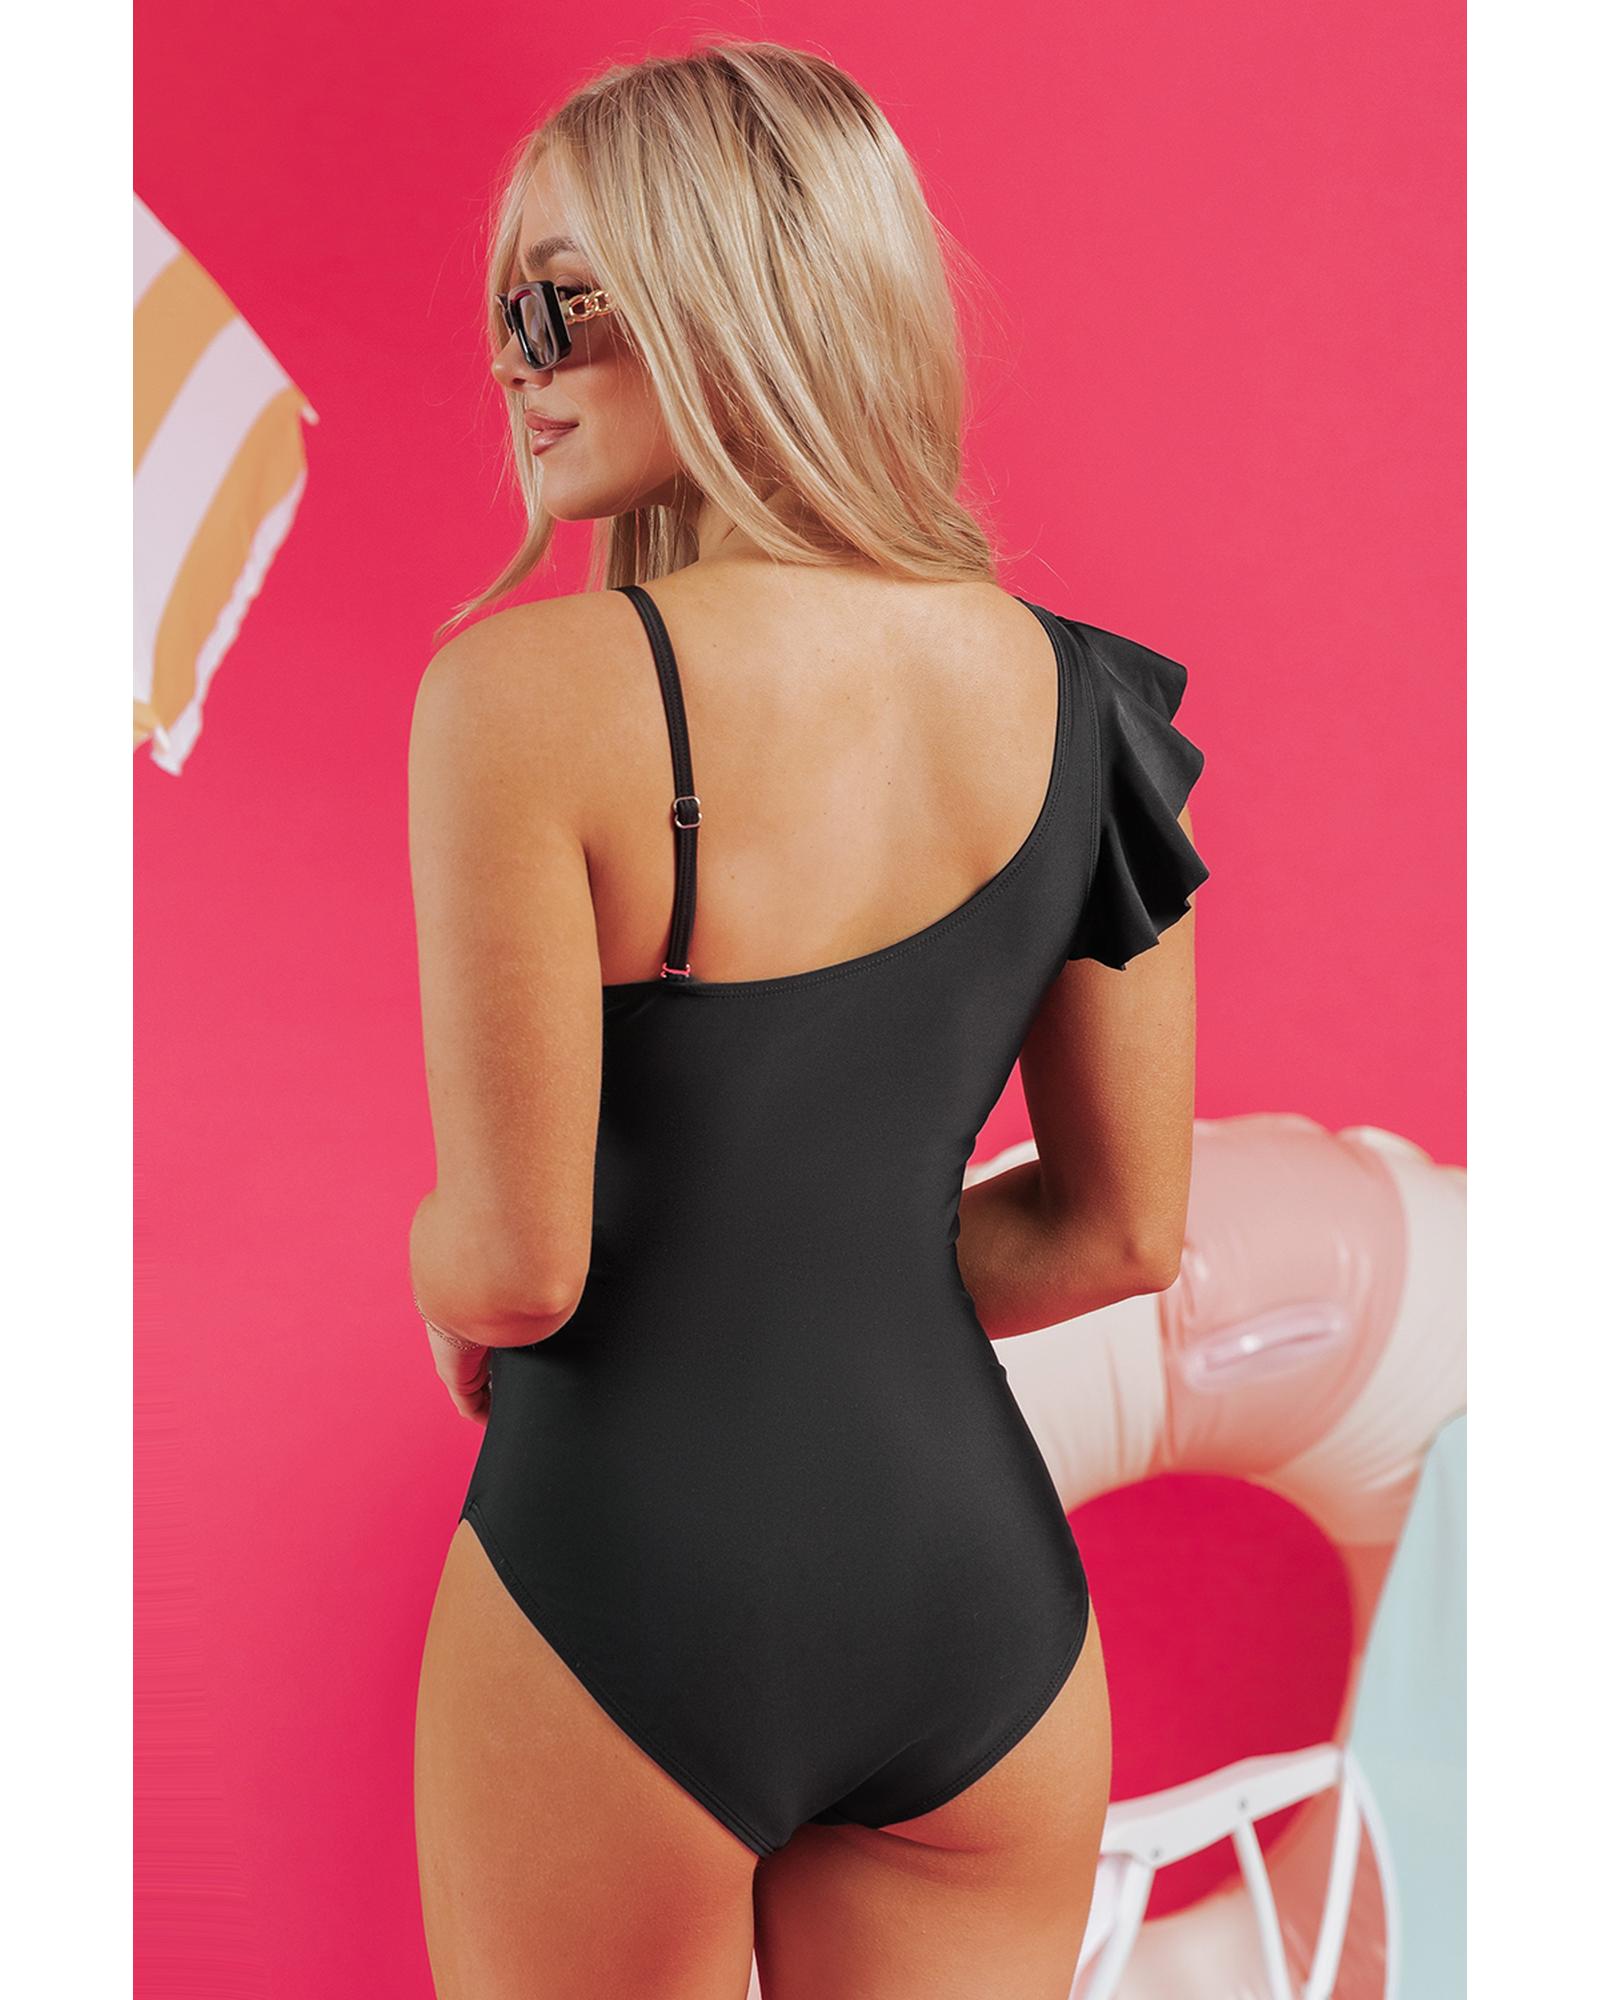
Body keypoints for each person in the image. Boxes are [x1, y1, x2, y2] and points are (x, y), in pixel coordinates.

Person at [408, 38, 1209, 2000]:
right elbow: (1123, 1229)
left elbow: (517, 1267)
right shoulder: (1089, 705)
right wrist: (837, 1271)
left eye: (558, 304)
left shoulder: (523, 701)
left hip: (624, 1580)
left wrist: (436, 1267)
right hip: (975, 1608)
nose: (514, 363)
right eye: (501, 313)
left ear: (730, 297)